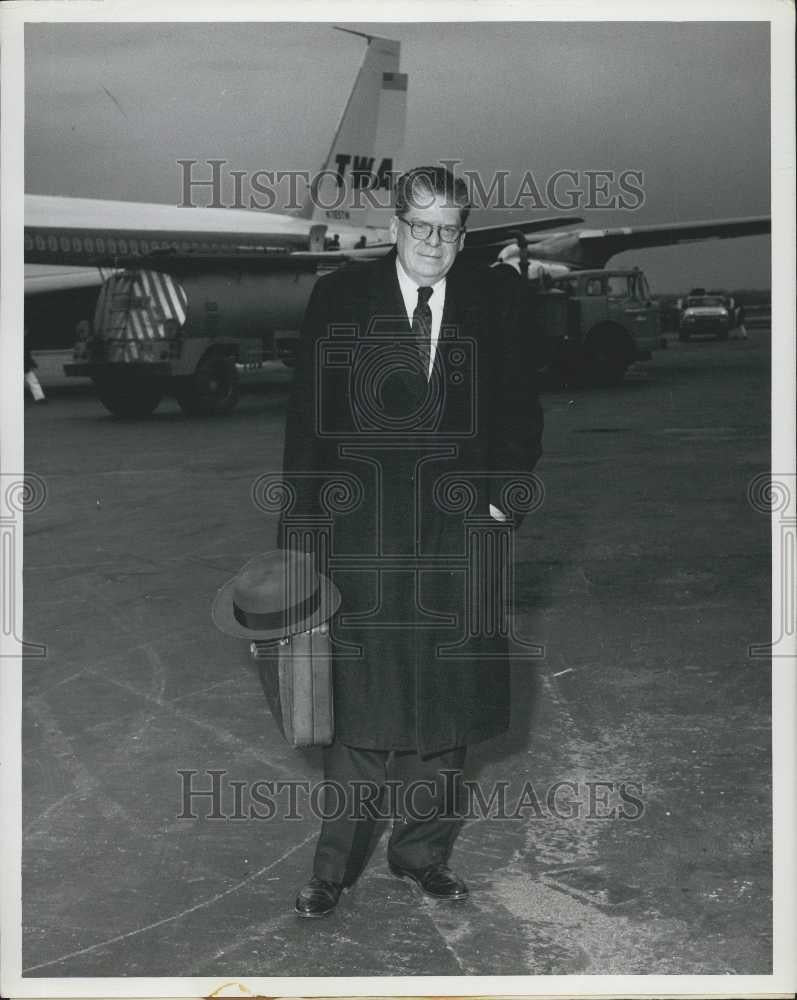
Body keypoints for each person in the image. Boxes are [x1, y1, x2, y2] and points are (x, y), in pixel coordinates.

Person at [278, 165, 544, 918]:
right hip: (363, 533)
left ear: (463, 234)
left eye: (448, 229)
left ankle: (421, 856)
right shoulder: (340, 297)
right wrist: (300, 539)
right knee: (356, 708)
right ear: (395, 226)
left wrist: (501, 506)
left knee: (447, 708)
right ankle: (332, 868)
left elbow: (524, 412)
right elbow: (307, 422)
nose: (433, 242)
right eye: (420, 226)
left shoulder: (495, 302)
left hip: (463, 535)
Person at [24, 330, 47, 403]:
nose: (26, 332)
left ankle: (40, 398)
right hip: (24, 364)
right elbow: (26, 355)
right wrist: (33, 363)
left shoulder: (24, 341)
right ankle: (39, 398)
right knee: (33, 381)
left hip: (23, 364)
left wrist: (32, 363)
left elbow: (26, 355)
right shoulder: (24, 342)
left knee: (33, 381)